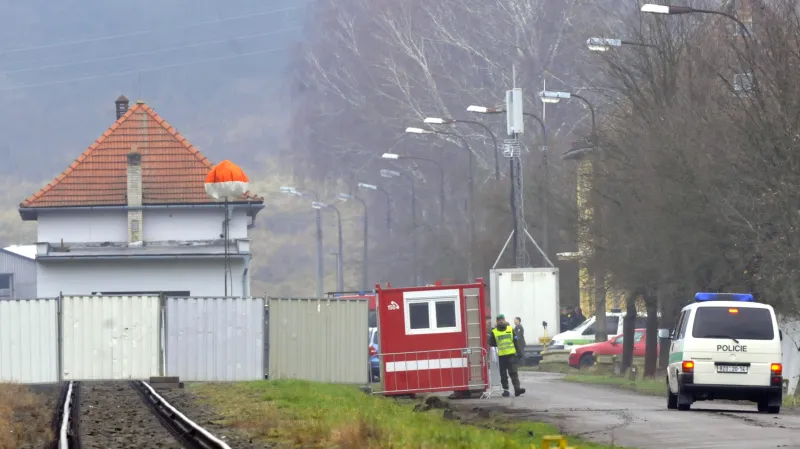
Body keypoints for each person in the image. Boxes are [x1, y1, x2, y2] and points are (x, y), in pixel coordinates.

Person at [488, 314, 526, 397]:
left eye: (502, 319)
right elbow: (491, 343)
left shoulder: (510, 329)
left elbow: (515, 342)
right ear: (497, 321)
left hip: (511, 355)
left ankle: (517, 389)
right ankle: (506, 390)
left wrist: (519, 352)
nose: (501, 321)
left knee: (514, 373)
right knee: (503, 375)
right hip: (501, 357)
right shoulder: (494, 331)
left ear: (504, 320)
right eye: (499, 320)